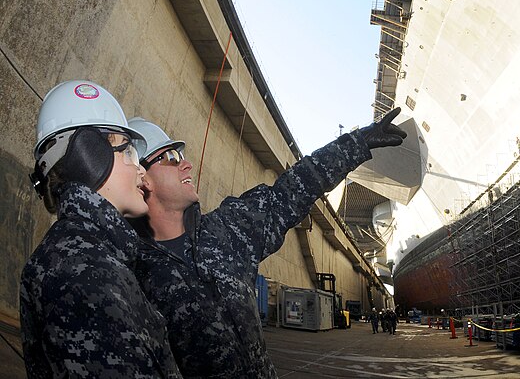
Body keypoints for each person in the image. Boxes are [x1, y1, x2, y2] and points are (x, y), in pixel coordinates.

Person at [128, 108, 407, 378]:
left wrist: (356, 144)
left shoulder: (226, 230)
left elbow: (292, 190)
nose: (186, 163)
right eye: (172, 157)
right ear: (142, 178)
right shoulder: (132, 274)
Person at [19, 80, 182, 378]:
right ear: (90, 156)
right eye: (129, 153)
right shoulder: (84, 272)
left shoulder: (90, 253)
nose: (141, 170)